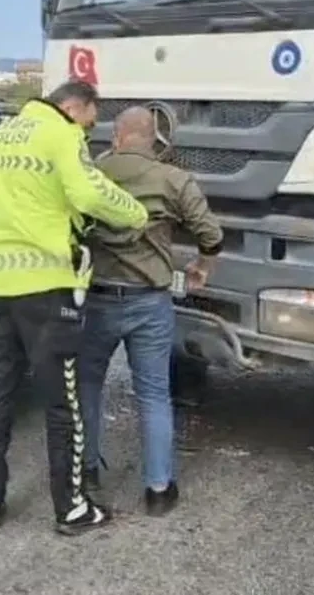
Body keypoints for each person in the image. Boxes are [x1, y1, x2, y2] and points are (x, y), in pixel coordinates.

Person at [0, 81, 149, 536]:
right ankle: (71, 509)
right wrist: (136, 214)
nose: (88, 132)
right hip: (47, 286)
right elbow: (89, 193)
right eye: (89, 122)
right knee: (62, 403)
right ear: (74, 106)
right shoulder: (60, 133)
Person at [78, 105, 223, 517]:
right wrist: (202, 267)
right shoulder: (173, 179)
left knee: (87, 387)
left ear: (118, 136)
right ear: (155, 139)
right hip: (149, 302)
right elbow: (211, 235)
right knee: (154, 393)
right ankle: (158, 490)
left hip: (97, 299)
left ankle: (87, 474)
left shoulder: (92, 174)